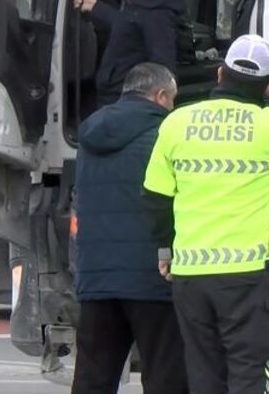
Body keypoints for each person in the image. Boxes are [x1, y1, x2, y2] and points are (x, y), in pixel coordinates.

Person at [143, 34, 269, 393]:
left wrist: (166, 250)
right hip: (248, 277)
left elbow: (155, 197)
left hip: (191, 275)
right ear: (266, 87)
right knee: (249, 376)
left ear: (219, 74)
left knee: (204, 376)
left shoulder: (177, 122)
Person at [71, 62, 188, 394]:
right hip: (152, 278)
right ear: (160, 95)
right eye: (172, 99)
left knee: (92, 379)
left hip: (96, 278)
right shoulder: (165, 135)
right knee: (166, 379)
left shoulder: (90, 136)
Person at [73, 0, 188, 105]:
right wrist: (94, 6)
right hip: (112, 96)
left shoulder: (159, 13)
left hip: (125, 102)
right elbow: (129, 24)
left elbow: (164, 72)